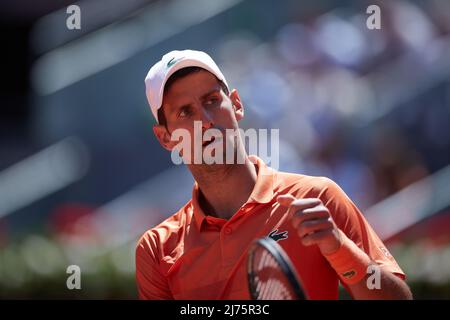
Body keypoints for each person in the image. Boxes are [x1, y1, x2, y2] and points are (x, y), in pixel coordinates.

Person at [135, 49, 412, 300]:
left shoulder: (318, 197)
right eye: (185, 112)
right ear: (165, 138)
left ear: (237, 105)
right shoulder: (156, 250)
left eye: (212, 100)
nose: (206, 121)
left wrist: (339, 247)